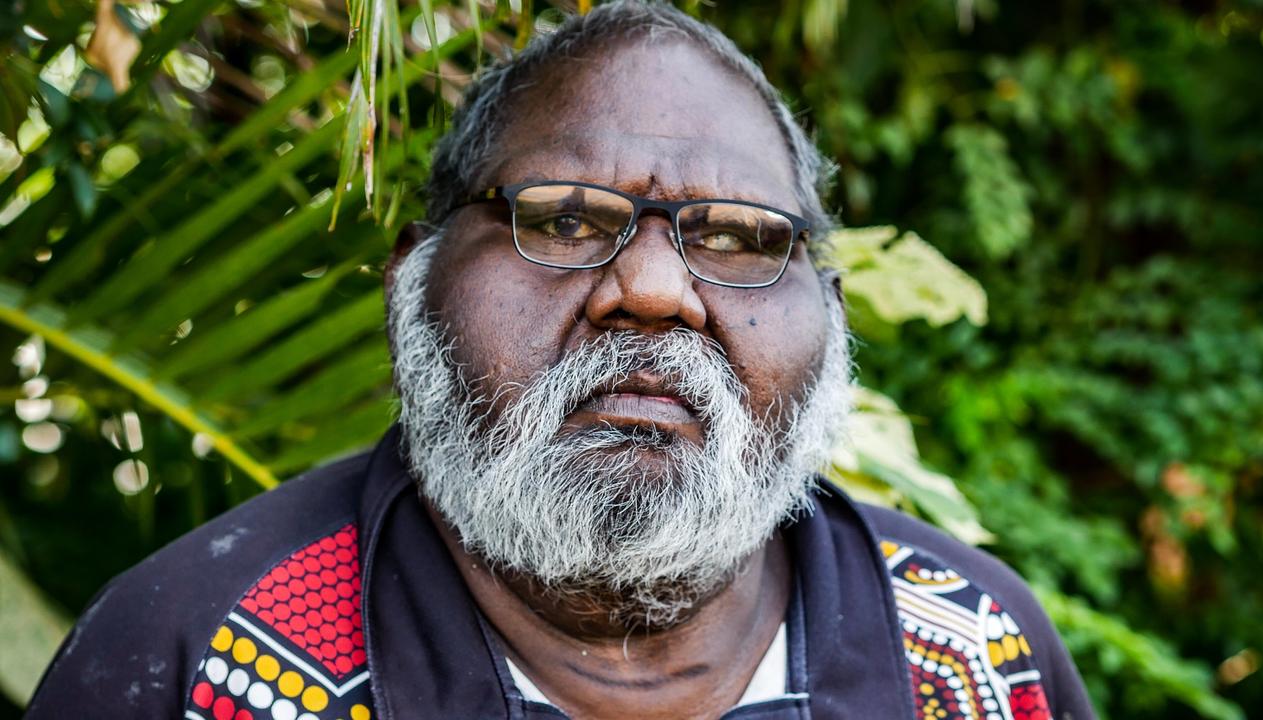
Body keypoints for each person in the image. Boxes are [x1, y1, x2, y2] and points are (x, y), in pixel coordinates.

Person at [26, 2, 1093, 719]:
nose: (654, 290)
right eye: (567, 219)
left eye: (735, 239)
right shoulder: (195, 663)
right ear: (412, 284)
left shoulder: (970, 657)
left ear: (829, 316)